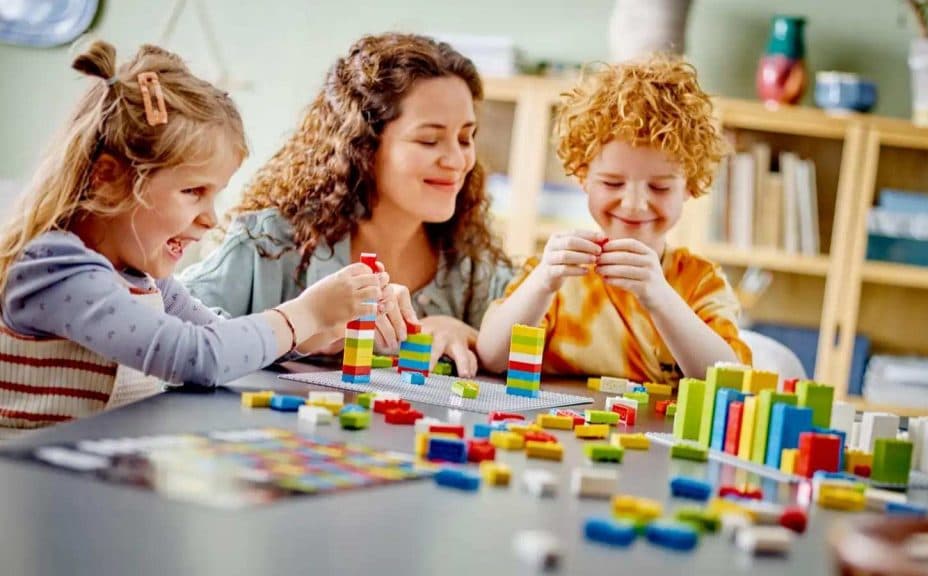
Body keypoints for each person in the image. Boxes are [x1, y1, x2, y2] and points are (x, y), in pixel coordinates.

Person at [0, 41, 403, 435]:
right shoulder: (55, 269)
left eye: (215, 193)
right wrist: (306, 313)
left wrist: (317, 335)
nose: (210, 219)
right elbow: (195, 355)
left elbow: (222, 336)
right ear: (108, 179)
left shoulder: (143, 277)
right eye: (193, 192)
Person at [181, 33, 513, 377]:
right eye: (429, 140)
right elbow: (170, 334)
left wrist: (467, 334)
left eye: (465, 138)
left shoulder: (471, 262)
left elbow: (538, 337)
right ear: (364, 145)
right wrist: (297, 328)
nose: (457, 160)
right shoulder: (268, 244)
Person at [477, 55, 751, 384]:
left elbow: (731, 381)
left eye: (659, 186)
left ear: (690, 186)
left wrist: (658, 296)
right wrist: (543, 282)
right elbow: (492, 357)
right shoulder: (555, 273)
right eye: (612, 183)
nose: (634, 204)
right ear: (582, 177)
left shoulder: (698, 282)